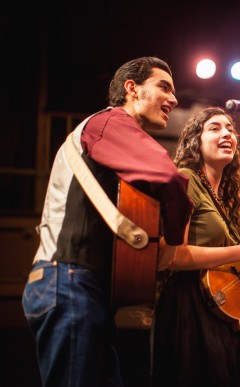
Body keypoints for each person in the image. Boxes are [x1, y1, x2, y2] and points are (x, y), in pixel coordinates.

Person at [21, 56, 193, 386]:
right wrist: (172, 245)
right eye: (163, 87)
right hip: (69, 281)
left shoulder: (109, 133)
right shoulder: (111, 122)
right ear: (132, 88)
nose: (173, 99)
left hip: (78, 287)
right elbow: (170, 179)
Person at [151, 106, 240, 387]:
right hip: (188, 306)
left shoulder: (222, 197)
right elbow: (173, 256)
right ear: (196, 141)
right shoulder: (186, 179)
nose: (226, 133)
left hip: (219, 307)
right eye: (215, 128)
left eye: (230, 128)